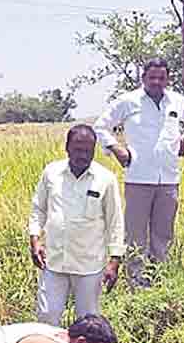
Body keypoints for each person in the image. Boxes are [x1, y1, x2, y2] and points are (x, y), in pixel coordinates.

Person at [93, 58, 184, 284]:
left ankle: (158, 282)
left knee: (163, 235)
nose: (156, 82)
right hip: (138, 177)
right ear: (143, 78)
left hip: (169, 178)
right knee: (136, 235)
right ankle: (136, 283)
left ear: (167, 79)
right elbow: (100, 126)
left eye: (161, 78)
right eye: (152, 77)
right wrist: (116, 149)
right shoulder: (128, 101)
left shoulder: (176, 100)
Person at [28, 125, 124, 325]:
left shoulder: (105, 179)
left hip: (89, 265)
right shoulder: (51, 173)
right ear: (67, 147)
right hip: (54, 261)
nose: (82, 155)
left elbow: (115, 221)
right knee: (46, 318)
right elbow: (39, 209)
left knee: (88, 323)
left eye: (87, 151)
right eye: (77, 149)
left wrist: (114, 261)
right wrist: (35, 240)